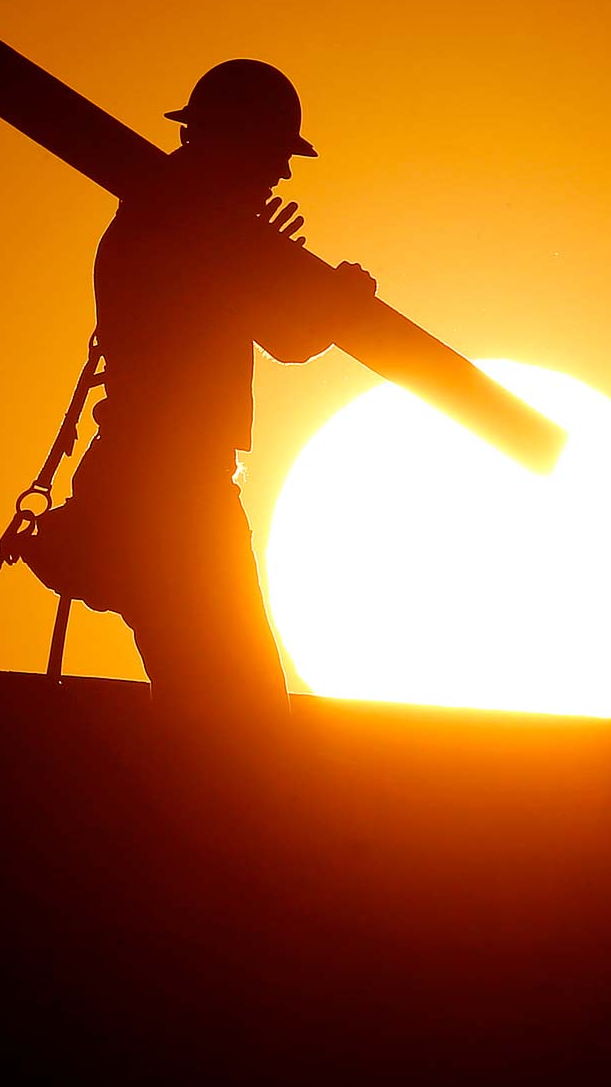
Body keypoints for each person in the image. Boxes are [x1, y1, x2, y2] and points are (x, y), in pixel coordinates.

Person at [41, 59, 373, 731]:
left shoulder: (169, 219)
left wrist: (263, 258)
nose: (279, 175)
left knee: (213, 702)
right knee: (237, 712)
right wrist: (338, 298)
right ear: (238, 144)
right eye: (274, 156)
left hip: (152, 483)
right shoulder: (193, 229)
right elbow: (287, 336)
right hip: (176, 496)